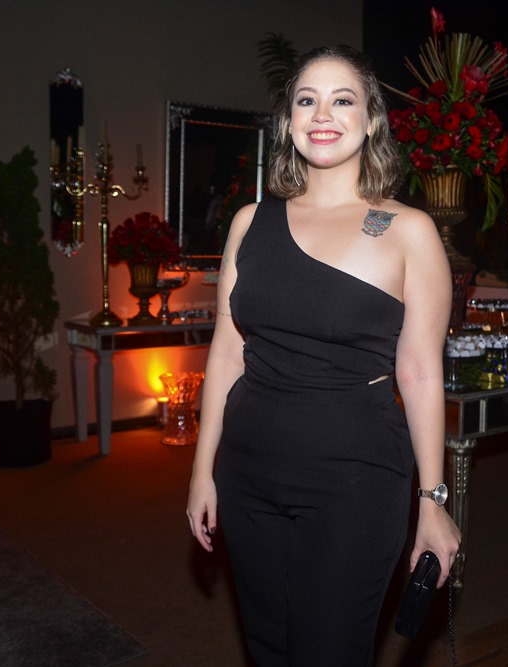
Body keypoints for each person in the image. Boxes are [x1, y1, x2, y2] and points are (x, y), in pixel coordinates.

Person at [186, 44, 461, 666]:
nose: (323, 114)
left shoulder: (409, 230)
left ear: (371, 120)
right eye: (307, 100)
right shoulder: (249, 223)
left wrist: (433, 501)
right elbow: (227, 354)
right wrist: (203, 471)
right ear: (288, 122)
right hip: (247, 473)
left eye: (343, 100)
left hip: (355, 479)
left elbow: (420, 373)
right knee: (268, 649)